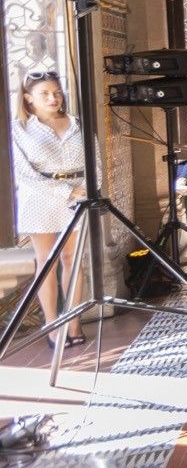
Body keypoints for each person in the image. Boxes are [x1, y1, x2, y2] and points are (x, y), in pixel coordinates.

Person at [12, 69, 87, 346]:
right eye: (45, 93)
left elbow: (95, 162)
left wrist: (89, 190)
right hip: (40, 199)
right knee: (47, 263)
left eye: (56, 92)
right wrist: (66, 190)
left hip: (77, 199)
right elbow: (23, 174)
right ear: (29, 99)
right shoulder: (19, 129)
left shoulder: (77, 123)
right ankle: (52, 324)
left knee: (73, 260)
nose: (53, 97)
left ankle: (74, 321)